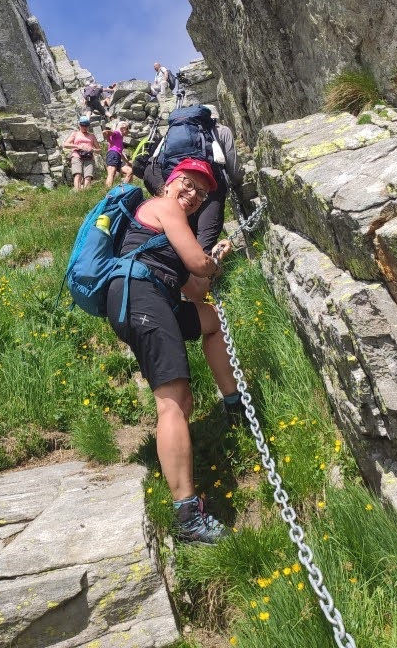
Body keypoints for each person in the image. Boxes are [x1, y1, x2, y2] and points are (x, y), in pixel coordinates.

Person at [106, 158, 237, 544]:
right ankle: (187, 518)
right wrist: (211, 262)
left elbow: (195, 289)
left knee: (211, 319)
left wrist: (213, 262)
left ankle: (234, 404)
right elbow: (198, 263)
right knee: (174, 401)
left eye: (202, 193)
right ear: (169, 182)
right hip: (140, 295)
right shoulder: (164, 206)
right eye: (188, 184)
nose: (194, 195)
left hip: (149, 297)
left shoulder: (173, 227)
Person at [144, 105, 242, 254]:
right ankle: (204, 262)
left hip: (179, 186)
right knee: (205, 241)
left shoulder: (175, 132)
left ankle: (180, 262)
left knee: (182, 236)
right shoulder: (222, 131)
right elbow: (234, 171)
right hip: (210, 190)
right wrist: (236, 184)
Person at [62, 116, 100, 191]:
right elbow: (65, 144)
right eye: (83, 125)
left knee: (88, 176)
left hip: (89, 157)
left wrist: (93, 150)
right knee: (77, 175)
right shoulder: (75, 134)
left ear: (89, 126)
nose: (85, 127)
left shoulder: (92, 136)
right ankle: (77, 192)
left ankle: (85, 193)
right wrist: (78, 146)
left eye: (86, 125)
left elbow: (99, 150)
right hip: (77, 156)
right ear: (79, 125)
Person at [103, 121, 126, 188]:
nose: (128, 131)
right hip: (113, 153)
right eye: (127, 128)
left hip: (117, 155)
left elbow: (120, 153)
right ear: (122, 128)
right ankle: (108, 190)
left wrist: (127, 162)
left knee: (129, 171)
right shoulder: (117, 133)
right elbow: (105, 132)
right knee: (112, 172)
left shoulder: (120, 137)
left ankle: (122, 189)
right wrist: (109, 140)